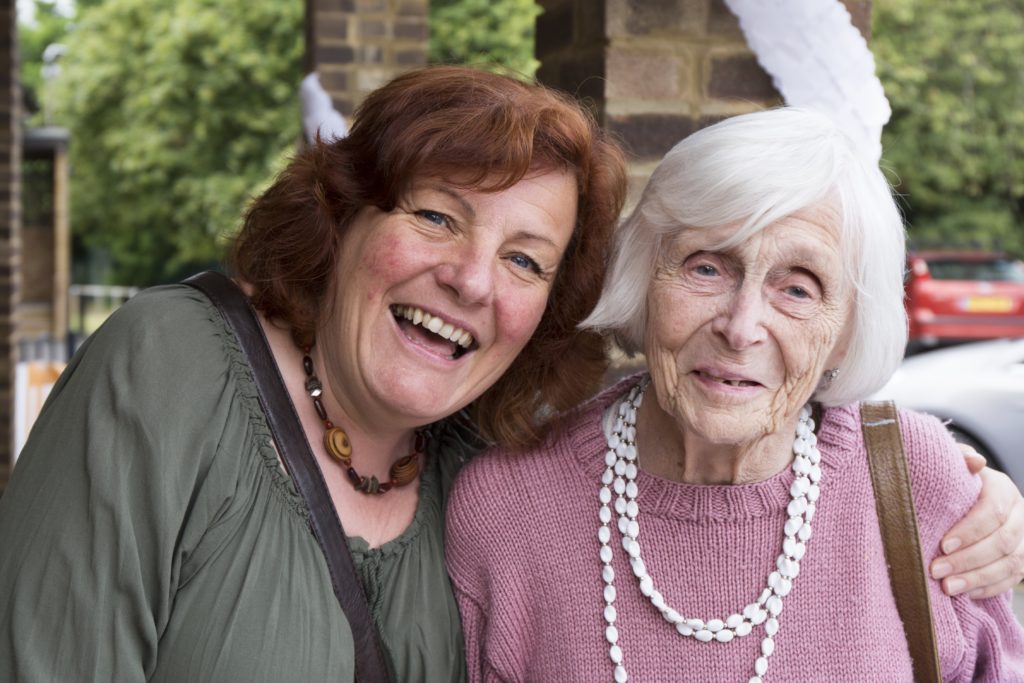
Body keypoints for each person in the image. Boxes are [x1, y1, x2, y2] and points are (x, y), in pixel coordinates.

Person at [0, 68, 1019, 682]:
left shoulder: (925, 494)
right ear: (344, 213)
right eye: (437, 214)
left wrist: (993, 503)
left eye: (525, 260)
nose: (472, 279)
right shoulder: (507, 493)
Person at [445, 107, 1024, 681]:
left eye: (798, 288)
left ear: (848, 333)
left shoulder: (916, 482)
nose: (741, 326)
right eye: (706, 269)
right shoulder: (507, 509)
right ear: (644, 277)